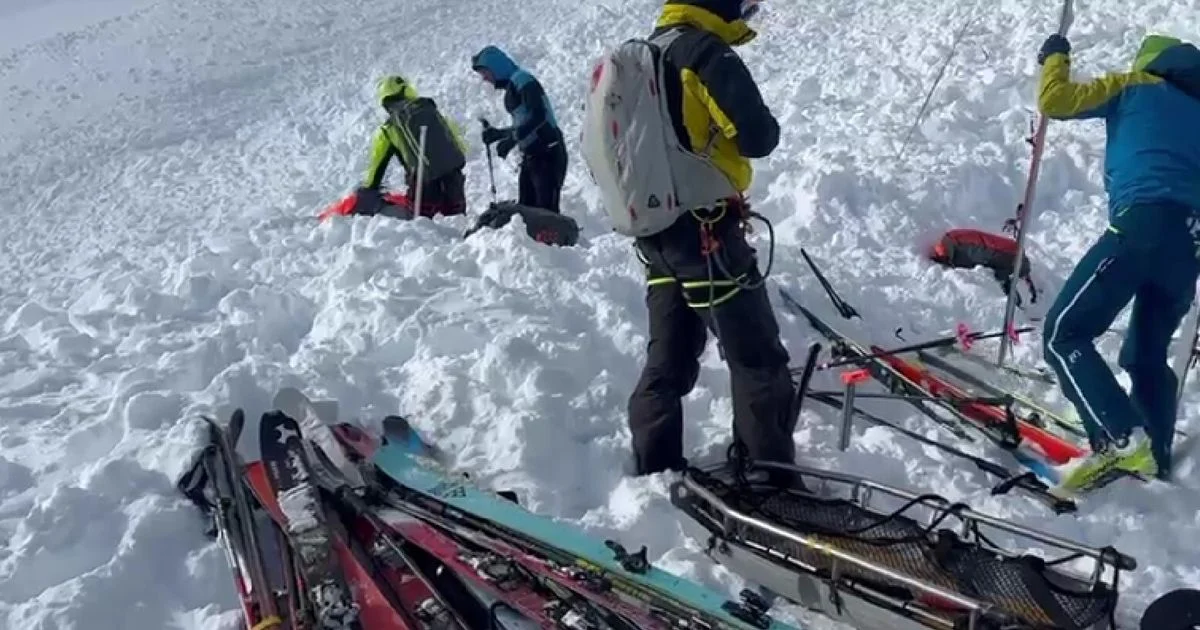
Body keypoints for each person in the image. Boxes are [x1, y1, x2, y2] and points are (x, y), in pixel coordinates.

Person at [621, 0, 798, 479]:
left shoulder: (639, 55)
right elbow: (756, 136)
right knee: (757, 357)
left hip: (655, 235)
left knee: (669, 356)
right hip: (707, 233)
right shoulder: (703, 53)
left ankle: (654, 465)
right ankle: (769, 476)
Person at [1036, 33, 1200, 492]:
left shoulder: (1134, 86)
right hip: (1190, 246)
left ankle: (1121, 439)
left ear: (1150, 63)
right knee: (1146, 356)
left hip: (1141, 224)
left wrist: (1054, 57)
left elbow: (1057, 100)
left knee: (1063, 332)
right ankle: (1154, 462)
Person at [470, 46, 569, 214]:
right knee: (527, 214)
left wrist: (512, 139)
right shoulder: (514, 84)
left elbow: (539, 116)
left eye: (485, 73)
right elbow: (525, 123)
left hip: (548, 153)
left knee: (546, 216)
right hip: (534, 157)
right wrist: (499, 134)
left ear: (496, 67)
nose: (485, 79)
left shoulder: (523, 80)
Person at [355, 75, 468, 218]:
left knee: (423, 230)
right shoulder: (430, 110)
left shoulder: (389, 128)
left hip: (423, 187)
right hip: (454, 182)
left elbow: (376, 170)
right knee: (457, 225)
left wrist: (366, 191)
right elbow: (458, 142)